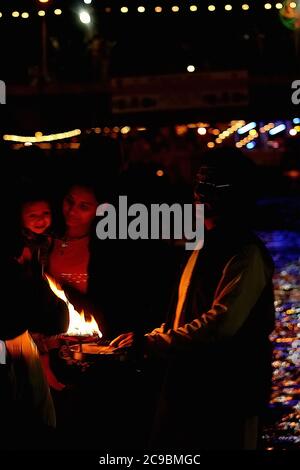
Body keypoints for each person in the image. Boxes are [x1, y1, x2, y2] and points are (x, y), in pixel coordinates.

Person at [111, 148, 275, 450]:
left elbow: (220, 325)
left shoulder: (245, 253)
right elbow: (187, 312)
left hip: (228, 391)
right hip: (187, 383)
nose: (199, 193)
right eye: (198, 184)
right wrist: (152, 337)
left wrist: (152, 343)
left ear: (235, 194)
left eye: (211, 186)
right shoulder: (203, 243)